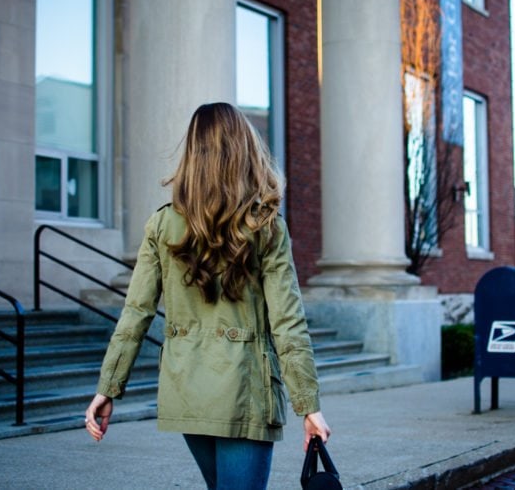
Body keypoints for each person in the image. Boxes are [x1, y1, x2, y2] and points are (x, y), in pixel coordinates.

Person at [85, 102, 331, 489]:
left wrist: (107, 387)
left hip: (187, 386)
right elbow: (287, 321)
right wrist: (309, 405)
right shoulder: (265, 225)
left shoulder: (163, 223)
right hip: (245, 390)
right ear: (245, 149)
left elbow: (136, 312)